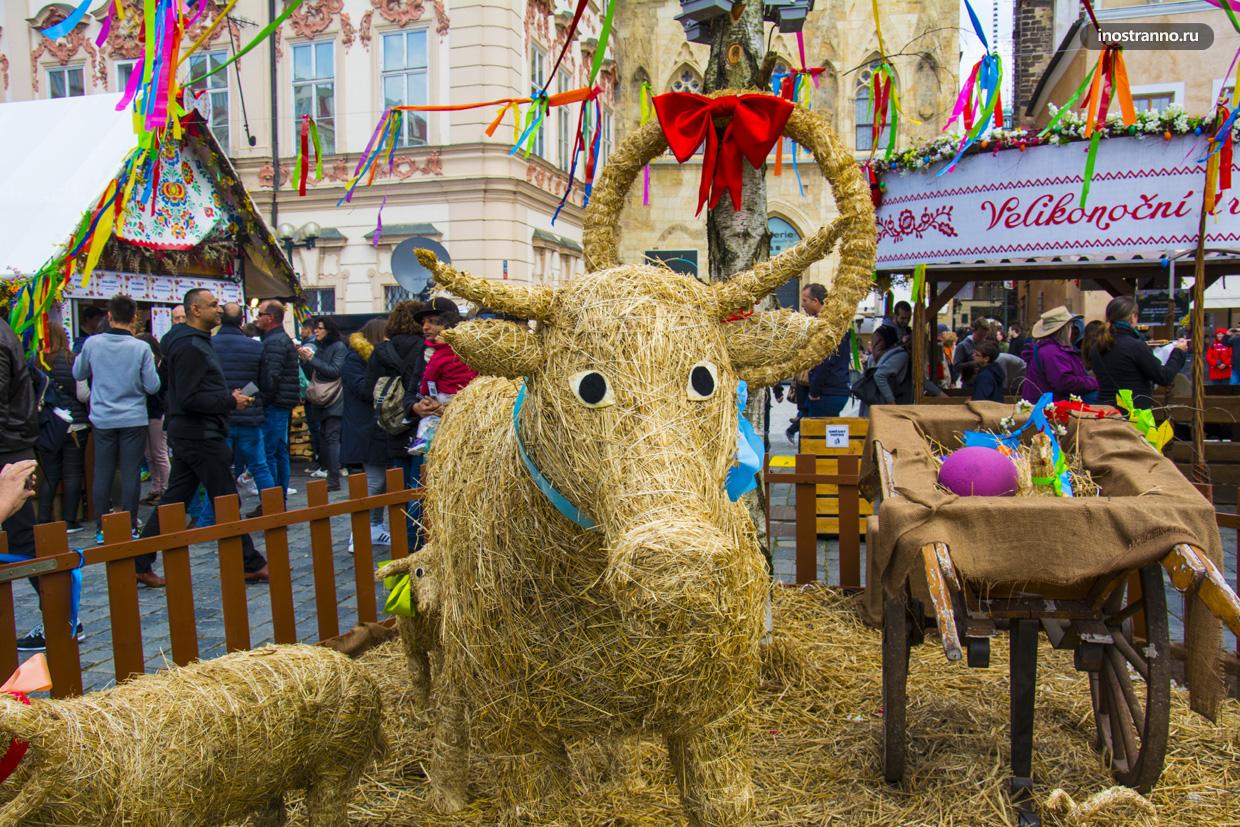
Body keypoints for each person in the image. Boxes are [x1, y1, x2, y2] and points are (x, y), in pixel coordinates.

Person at [135, 289, 268, 585]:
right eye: (212, 305)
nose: (218, 310)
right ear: (195, 310)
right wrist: (230, 400)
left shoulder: (190, 342)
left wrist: (226, 397)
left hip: (194, 432)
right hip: (200, 434)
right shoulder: (190, 347)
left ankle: (139, 560)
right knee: (225, 498)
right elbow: (190, 397)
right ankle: (250, 562)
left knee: (175, 500)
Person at [73, 294, 160, 548]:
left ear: (108, 316)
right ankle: (131, 524)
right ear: (134, 317)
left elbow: (78, 373)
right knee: (131, 470)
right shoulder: (141, 347)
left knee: (103, 471)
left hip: (102, 417)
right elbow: (153, 386)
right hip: (133, 416)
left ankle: (102, 527)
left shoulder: (92, 344)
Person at [369, 300, 427, 547]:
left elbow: (366, 387)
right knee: (418, 488)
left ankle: (401, 539)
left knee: (399, 489)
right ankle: (416, 540)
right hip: (420, 425)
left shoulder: (381, 350)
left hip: (392, 427)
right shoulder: (424, 348)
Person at [212, 303, 276, 517]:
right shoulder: (256, 347)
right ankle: (272, 508)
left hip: (221, 415)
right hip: (249, 414)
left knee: (221, 468)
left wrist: (230, 398)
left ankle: (223, 512)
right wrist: (246, 396)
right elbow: (265, 383)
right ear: (241, 321)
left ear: (220, 319)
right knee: (260, 465)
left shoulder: (210, 345)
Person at [35, 323, 89, 532]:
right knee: (73, 473)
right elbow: (83, 395)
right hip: (75, 424)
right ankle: (69, 521)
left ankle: (43, 519)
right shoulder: (73, 360)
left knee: (50, 473)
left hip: (48, 425)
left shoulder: (37, 363)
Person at [342, 319, 391, 548]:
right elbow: (364, 390)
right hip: (363, 427)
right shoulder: (355, 358)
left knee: (381, 482)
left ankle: (375, 526)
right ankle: (360, 531)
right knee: (374, 481)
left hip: (375, 427)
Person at [1087, 296, 1187, 409]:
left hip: (1105, 411)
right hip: (1132, 414)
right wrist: (1178, 352)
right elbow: (1163, 377)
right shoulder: (1135, 346)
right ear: (1133, 317)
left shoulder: (1097, 347)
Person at [410, 299, 477, 455]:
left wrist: (443, 409)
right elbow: (411, 391)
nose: (425, 327)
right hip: (437, 438)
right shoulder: (422, 352)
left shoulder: (470, 352)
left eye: (433, 322)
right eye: (423, 322)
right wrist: (417, 406)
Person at [255, 300, 301, 500]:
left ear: (270, 317)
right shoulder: (279, 339)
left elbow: (270, 377)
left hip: (275, 403)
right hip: (282, 402)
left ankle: (274, 499)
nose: (257, 318)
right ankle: (279, 495)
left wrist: (262, 399)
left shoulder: (274, 342)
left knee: (270, 452)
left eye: (259, 314)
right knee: (279, 450)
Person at [299, 316, 346, 491]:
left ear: (329, 330)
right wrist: (305, 359)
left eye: (320, 328)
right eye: (316, 328)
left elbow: (334, 371)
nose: (316, 331)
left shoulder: (338, 347)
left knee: (332, 437)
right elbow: (315, 371)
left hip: (334, 398)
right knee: (325, 437)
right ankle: (329, 474)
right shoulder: (320, 347)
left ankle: (333, 479)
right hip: (322, 398)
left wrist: (312, 360)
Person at [1019, 306, 1099, 403]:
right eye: (1071, 326)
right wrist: (1093, 382)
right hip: (1049, 410)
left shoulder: (1049, 349)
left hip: (1047, 407)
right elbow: (1064, 382)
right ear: (1065, 329)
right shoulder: (1051, 352)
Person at [137, 334, 170, 506]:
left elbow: (159, 388)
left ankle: (165, 488)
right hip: (145, 412)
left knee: (159, 452)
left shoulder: (159, 364)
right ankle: (156, 488)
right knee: (149, 454)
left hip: (156, 412)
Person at [859, 325, 910, 416]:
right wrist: (891, 402)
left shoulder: (895, 354)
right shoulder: (900, 355)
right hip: (879, 403)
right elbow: (879, 375)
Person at [952, 317, 991, 386]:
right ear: (974, 330)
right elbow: (956, 367)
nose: (982, 338)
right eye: (980, 335)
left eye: (984, 335)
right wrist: (974, 363)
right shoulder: (962, 346)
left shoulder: (986, 344)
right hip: (969, 385)